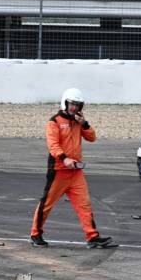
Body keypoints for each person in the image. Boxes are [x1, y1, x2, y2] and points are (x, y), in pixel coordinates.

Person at [30, 88, 117, 249]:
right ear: (65, 103)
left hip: (75, 171)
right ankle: (35, 234)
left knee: (84, 204)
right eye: (72, 104)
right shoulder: (54, 122)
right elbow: (53, 146)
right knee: (47, 204)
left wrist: (84, 123)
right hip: (58, 171)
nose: (75, 108)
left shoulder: (78, 122)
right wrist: (65, 158)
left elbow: (92, 137)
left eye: (78, 105)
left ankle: (92, 237)